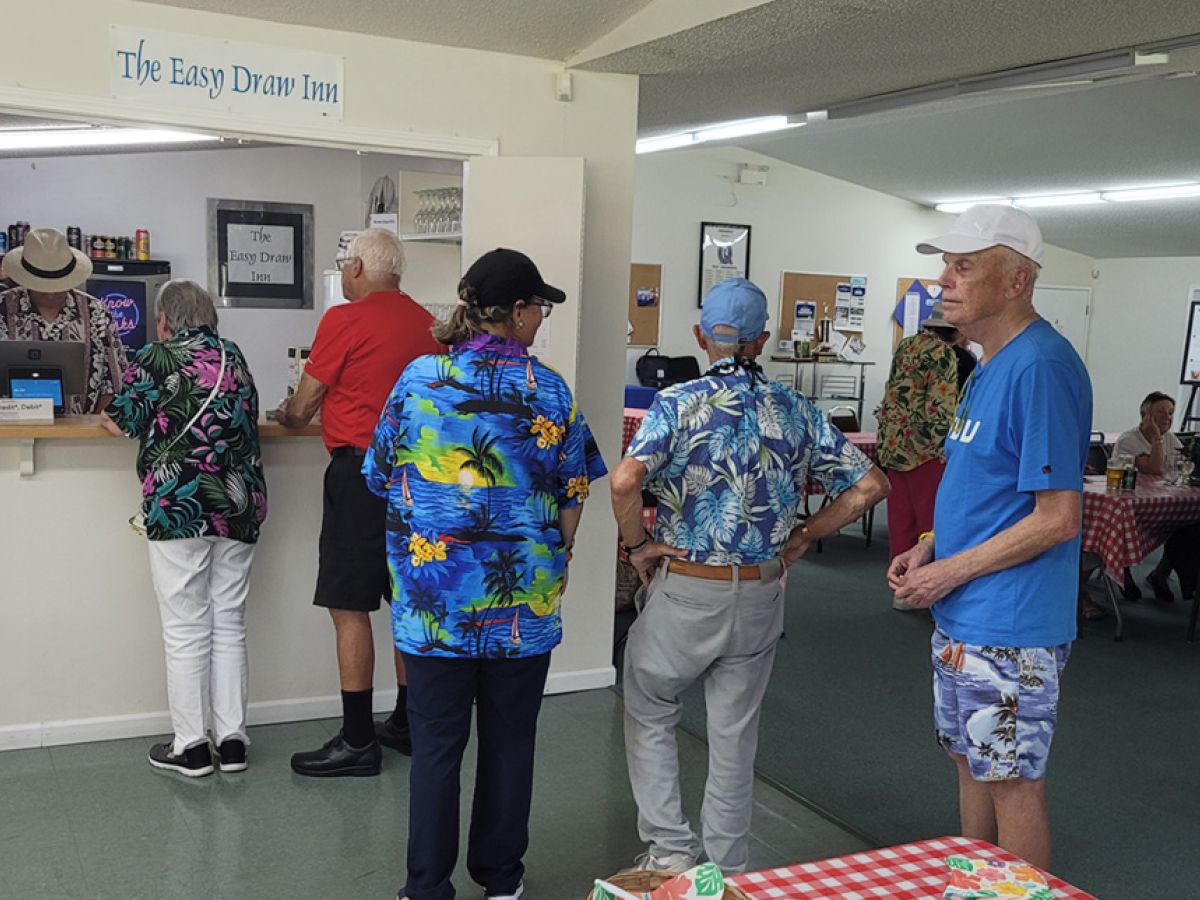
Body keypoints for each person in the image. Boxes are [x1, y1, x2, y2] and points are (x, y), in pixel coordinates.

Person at [611, 277, 888, 874]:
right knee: (735, 735)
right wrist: (807, 533)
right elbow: (870, 486)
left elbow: (624, 481)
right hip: (761, 592)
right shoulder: (795, 408)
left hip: (687, 588)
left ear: (700, 336)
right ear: (762, 340)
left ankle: (669, 852)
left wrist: (637, 547)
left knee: (650, 703)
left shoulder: (677, 403)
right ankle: (728, 869)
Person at [365, 248, 606, 900]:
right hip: (521, 604)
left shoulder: (419, 379)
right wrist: (560, 552)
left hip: (433, 606)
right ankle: (500, 879)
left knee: (436, 748)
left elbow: (377, 475)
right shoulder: (548, 390)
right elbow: (575, 490)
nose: (542, 319)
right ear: (518, 311)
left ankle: (426, 887)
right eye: (540, 307)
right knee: (510, 744)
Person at [888, 204, 1092, 871]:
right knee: (972, 764)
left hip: (1010, 625)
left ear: (1016, 281)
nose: (943, 281)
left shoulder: (1041, 367)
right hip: (965, 617)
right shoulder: (988, 364)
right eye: (946, 265)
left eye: (964, 267)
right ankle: (975, 884)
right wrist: (929, 543)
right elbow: (987, 487)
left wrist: (947, 572)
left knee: (1011, 782)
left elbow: (1058, 517)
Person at [281, 228, 443, 777]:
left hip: (360, 476)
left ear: (355, 268)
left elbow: (302, 407)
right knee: (406, 601)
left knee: (350, 605)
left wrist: (287, 413)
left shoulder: (343, 320)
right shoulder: (431, 325)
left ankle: (356, 739)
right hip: (421, 481)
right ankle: (407, 723)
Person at [101, 280, 267, 776]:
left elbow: (121, 422)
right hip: (238, 504)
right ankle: (233, 743)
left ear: (165, 320)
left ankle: (191, 747)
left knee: (184, 628)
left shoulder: (156, 356)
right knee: (229, 622)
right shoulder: (234, 356)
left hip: (180, 505)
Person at [876, 303, 960, 586]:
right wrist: (948, 449)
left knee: (901, 520)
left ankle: (900, 583)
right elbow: (940, 406)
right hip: (925, 451)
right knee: (930, 522)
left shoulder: (906, 345)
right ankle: (924, 584)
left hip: (894, 445)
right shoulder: (943, 353)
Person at [1, 227, 126, 413]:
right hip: (10, 428)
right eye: (43, 287)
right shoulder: (3, 308)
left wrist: (90, 425)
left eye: (58, 286)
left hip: (82, 428)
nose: (51, 294)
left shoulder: (96, 312)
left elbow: (116, 382)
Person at [1114, 391, 1183, 601]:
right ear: (1144, 415)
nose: (1167, 418)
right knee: (1124, 522)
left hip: (1164, 504)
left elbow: (1181, 470)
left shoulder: (1172, 439)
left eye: (1170, 413)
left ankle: (1159, 575)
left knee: (1190, 526)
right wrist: (1156, 439)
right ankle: (1123, 572)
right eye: (1161, 413)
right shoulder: (1128, 440)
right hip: (1132, 506)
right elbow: (1154, 469)